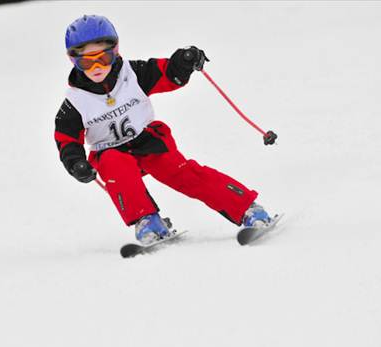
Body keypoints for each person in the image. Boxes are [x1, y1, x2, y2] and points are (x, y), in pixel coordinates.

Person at [54, 15, 272, 244]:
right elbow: (66, 139)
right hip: (110, 152)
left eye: (104, 58)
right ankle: (148, 221)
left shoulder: (133, 74)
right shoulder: (75, 102)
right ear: (74, 61)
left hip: (148, 143)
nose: (97, 67)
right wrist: (75, 163)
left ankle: (248, 209)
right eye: (87, 62)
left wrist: (183, 61)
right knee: (116, 166)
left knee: (184, 174)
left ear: (115, 52)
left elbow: (167, 73)